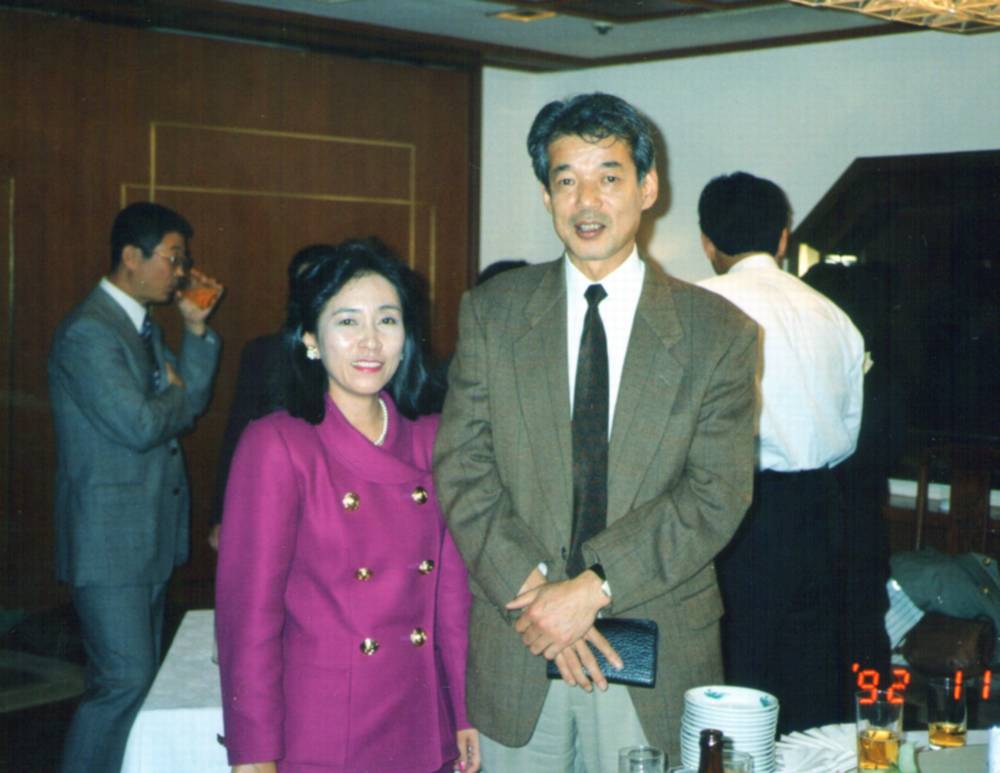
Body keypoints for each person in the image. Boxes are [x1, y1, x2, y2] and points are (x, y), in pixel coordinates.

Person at [433, 92, 757, 770]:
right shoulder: (492, 313)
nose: (587, 201)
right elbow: (462, 466)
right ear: (546, 194)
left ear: (648, 187)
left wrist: (590, 589)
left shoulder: (718, 333)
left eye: (608, 177)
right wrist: (541, 597)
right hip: (520, 639)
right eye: (566, 180)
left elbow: (715, 494)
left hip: (653, 643)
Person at [215, 238, 479, 773]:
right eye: (347, 321)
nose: (370, 341)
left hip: (419, 721)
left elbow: (451, 599)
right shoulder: (278, 445)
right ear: (310, 337)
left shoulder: (432, 439)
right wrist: (254, 754)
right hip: (324, 730)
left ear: (407, 338)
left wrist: (463, 712)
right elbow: (249, 619)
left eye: (387, 320)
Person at [49, 201, 224, 773]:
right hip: (110, 543)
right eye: (174, 257)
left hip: (142, 539)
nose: (182, 271)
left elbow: (186, 407)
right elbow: (141, 425)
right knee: (123, 682)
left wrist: (194, 331)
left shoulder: (139, 327)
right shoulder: (89, 332)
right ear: (131, 256)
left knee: (132, 681)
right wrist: (171, 393)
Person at [696, 172, 865, 732]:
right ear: (784, 238)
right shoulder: (833, 315)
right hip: (823, 507)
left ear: (707, 242)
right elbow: (849, 431)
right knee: (812, 679)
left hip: (738, 511)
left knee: (735, 678)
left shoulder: (697, 306)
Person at [207, 244, 327, 551]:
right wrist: (222, 513)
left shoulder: (355, 355)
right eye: (304, 284)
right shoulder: (264, 353)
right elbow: (236, 434)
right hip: (274, 492)